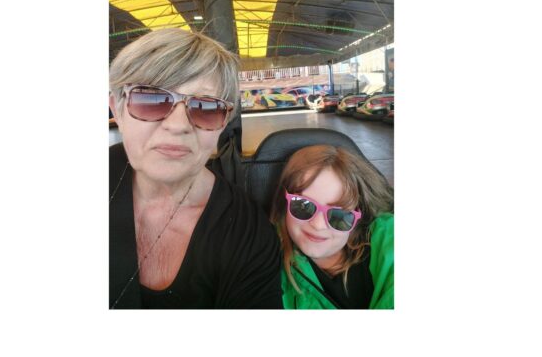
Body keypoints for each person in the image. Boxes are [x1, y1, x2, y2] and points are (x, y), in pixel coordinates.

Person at [109, 28, 282, 309]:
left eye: (205, 106)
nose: (178, 126)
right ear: (116, 109)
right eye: (150, 98)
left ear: (223, 123)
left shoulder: (246, 234)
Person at [270, 145, 394, 309]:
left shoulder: (390, 238)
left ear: (359, 214)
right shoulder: (265, 260)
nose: (318, 225)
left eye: (339, 215)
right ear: (284, 203)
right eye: (303, 206)